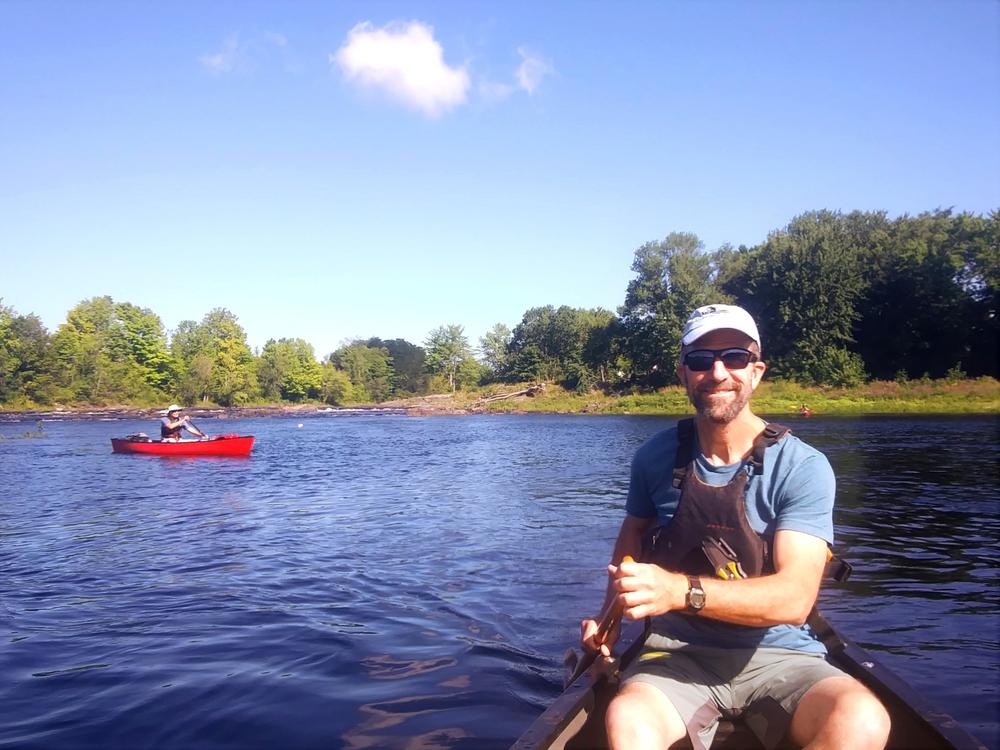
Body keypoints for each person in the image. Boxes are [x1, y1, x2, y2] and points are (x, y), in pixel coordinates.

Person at [580, 304, 890, 750]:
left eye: (735, 357)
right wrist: (608, 621)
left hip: (784, 656)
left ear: (756, 371)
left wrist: (678, 591)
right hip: (674, 656)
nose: (718, 372)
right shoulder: (652, 458)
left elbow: (794, 600)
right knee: (627, 720)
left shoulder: (803, 467)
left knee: (861, 720)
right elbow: (630, 541)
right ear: (683, 375)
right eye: (701, 361)